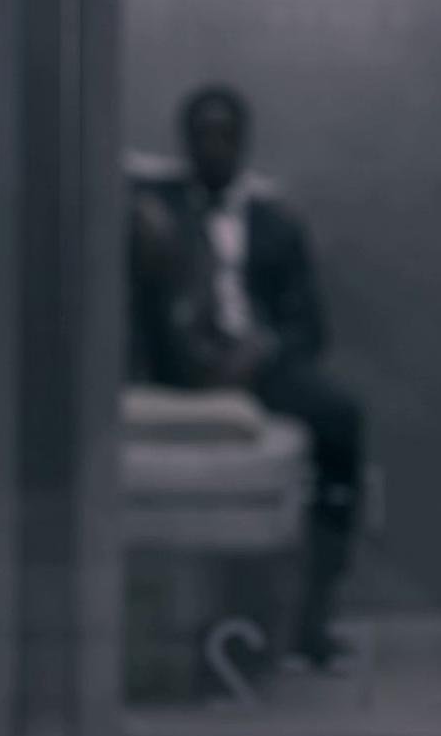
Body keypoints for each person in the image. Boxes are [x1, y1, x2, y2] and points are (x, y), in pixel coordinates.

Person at [129, 85, 366, 670]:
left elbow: (310, 327)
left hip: (261, 367)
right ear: (185, 143)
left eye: (225, 135)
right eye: (202, 135)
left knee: (342, 418)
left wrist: (261, 352)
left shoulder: (275, 222)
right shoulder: (155, 209)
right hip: (181, 367)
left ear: (244, 142)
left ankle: (315, 615)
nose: (214, 146)